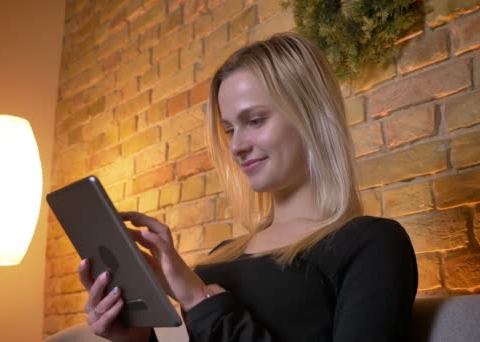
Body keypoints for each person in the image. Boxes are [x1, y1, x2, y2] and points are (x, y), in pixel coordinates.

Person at [78, 32, 418, 341]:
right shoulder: (221, 257)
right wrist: (136, 338)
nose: (236, 146)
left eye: (254, 121)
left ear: (312, 117)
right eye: (229, 129)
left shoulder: (371, 244)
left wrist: (199, 299)